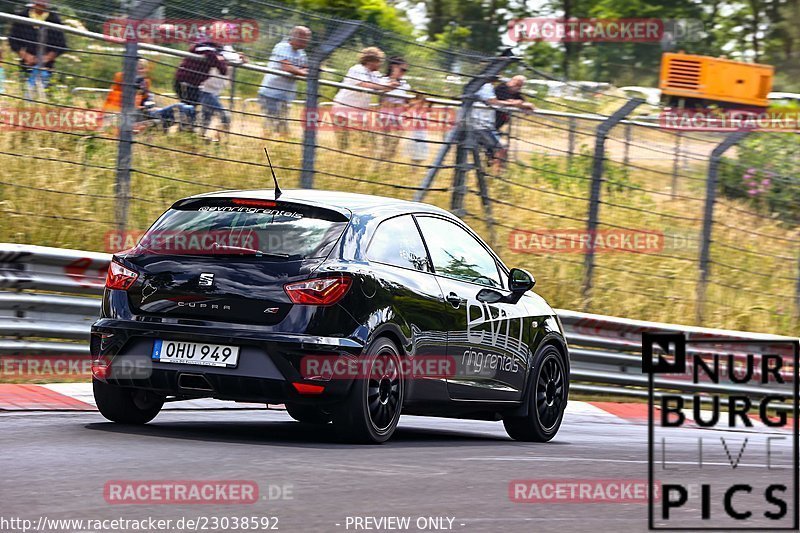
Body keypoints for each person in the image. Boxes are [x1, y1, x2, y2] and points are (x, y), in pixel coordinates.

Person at [332, 47, 399, 150]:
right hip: (343, 111)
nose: (381, 64)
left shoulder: (375, 74)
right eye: (379, 61)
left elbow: (382, 87)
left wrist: (392, 83)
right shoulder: (357, 69)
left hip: (359, 114)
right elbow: (365, 84)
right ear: (370, 61)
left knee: (367, 142)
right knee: (343, 143)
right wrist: (385, 86)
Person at [471, 77, 533, 172]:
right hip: (483, 125)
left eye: (520, 86)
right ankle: (497, 174)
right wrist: (513, 104)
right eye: (516, 84)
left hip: (488, 125)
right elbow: (493, 102)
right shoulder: (496, 88)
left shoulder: (489, 86)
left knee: (495, 149)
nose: (517, 87)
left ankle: (491, 170)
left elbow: (522, 103)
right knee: (501, 148)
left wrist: (521, 104)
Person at [8, 0, 67, 98]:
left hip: (46, 66)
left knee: (43, 94)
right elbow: (13, 40)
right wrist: (25, 56)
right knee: (24, 93)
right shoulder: (22, 16)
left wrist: (46, 58)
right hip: (25, 64)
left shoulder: (54, 19)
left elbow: (61, 45)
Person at [258, 26, 310, 136]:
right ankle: (265, 146)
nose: (308, 41)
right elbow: (287, 67)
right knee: (272, 123)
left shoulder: (302, 53)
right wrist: (301, 72)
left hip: (286, 95)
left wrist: (301, 71)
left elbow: (306, 68)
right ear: (296, 37)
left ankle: (276, 145)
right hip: (270, 94)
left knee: (282, 126)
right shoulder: (282, 47)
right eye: (305, 38)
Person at [174, 35, 228, 130]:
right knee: (188, 108)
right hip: (184, 82)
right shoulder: (206, 47)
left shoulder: (212, 49)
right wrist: (219, 60)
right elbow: (222, 68)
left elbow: (222, 66)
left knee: (192, 109)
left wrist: (220, 59)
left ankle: (186, 130)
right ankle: (183, 129)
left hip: (194, 84)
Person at [376, 56, 411, 162]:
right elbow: (380, 97)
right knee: (385, 141)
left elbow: (406, 100)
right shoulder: (383, 81)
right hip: (386, 114)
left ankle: (388, 163)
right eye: (402, 70)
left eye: (405, 71)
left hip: (398, 115)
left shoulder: (404, 84)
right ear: (394, 67)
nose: (403, 73)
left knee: (395, 143)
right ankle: (381, 161)